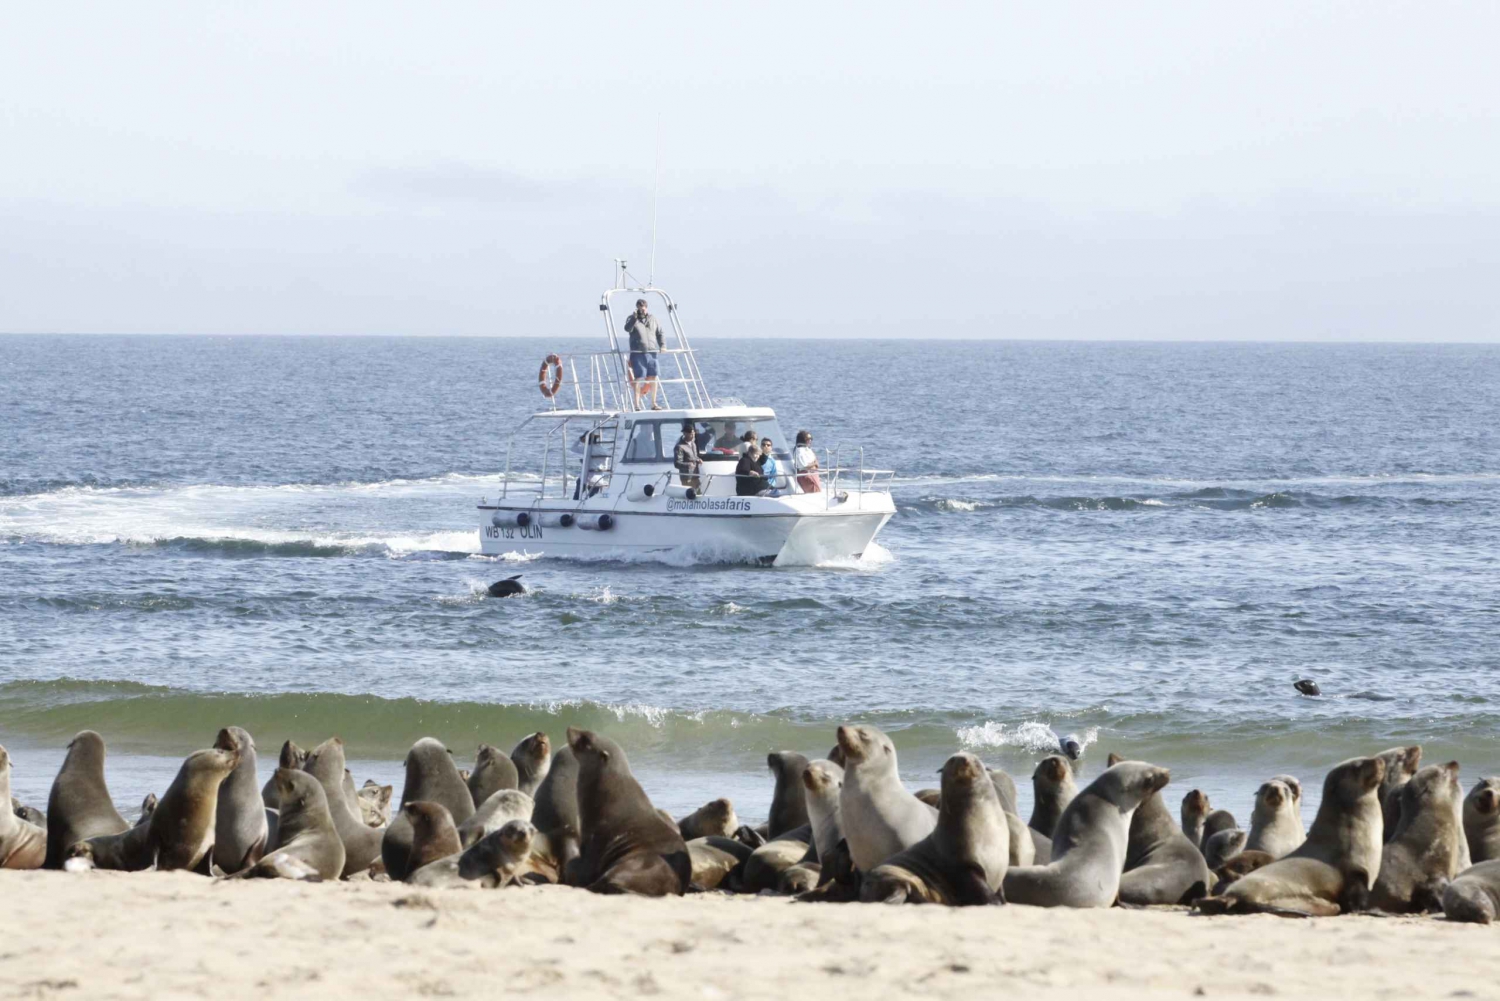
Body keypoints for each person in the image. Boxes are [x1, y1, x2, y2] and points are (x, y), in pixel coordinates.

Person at [623, 298, 664, 410]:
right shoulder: (632, 319)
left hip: (652, 352)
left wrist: (662, 345)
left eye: (643, 308)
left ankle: (654, 403)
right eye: (639, 308)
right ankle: (636, 405)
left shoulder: (653, 319)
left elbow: (660, 333)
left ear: (646, 308)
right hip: (638, 352)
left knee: (653, 376)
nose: (642, 310)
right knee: (638, 377)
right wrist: (634, 318)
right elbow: (627, 329)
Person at [674, 423, 702, 489]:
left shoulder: (693, 444)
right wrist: (688, 465)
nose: (693, 435)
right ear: (685, 434)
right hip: (687, 478)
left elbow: (693, 456)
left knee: (699, 495)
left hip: (695, 476)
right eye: (691, 434)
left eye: (693, 433)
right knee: (691, 497)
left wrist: (698, 459)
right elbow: (677, 463)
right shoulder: (679, 447)